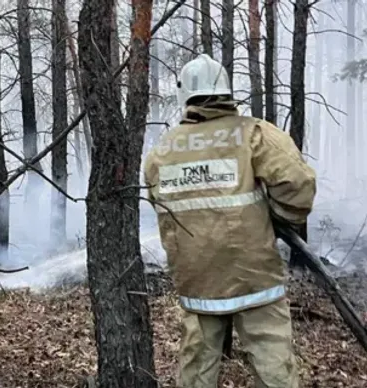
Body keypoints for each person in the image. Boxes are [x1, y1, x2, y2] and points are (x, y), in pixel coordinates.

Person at [143, 54, 316, 388]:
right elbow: (298, 187)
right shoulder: (254, 134)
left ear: (185, 95)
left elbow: (160, 204)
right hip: (254, 278)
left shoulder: (163, 151)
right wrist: (279, 217)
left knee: (197, 370)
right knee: (274, 367)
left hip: (198, 280)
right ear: (225, 91)